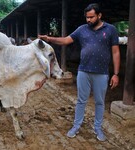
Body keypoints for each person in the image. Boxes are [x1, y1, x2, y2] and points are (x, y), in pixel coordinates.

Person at [39, 3, 120, 141]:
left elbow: (116, 51)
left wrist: (116, 74)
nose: (88, 20)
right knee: (81, 101)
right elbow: (66, 40)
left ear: (99, 15)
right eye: (87, 17)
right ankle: (76, 126)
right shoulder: (82, 29)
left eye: (91, 17)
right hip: (83, 71)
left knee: (99, 102)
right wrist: (50, 39)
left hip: (101, 73)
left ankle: (98, 128)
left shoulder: (111, 30)